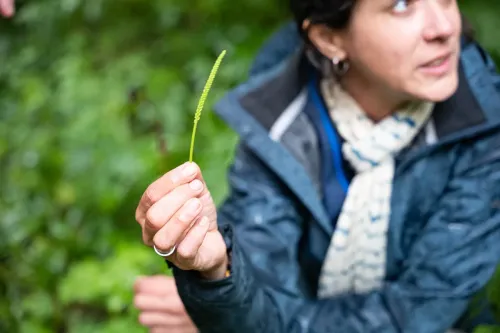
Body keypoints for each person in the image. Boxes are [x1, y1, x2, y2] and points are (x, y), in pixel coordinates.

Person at [135, 0, 500, 332]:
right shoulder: (278, 123)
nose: (444, 27)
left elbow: (420, 315)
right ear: (329, 38)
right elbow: (259, 296)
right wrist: (217, 279)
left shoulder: (485, 129)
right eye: (402, 5)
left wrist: (220, 319)